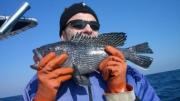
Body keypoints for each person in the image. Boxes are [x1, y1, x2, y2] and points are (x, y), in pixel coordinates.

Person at [23, 2, 160, 101]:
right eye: (78, 24)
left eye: (94, 26)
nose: (88, 29)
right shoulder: (35, 87)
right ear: (63, 36)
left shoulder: (133, 78)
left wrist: (120, 91)